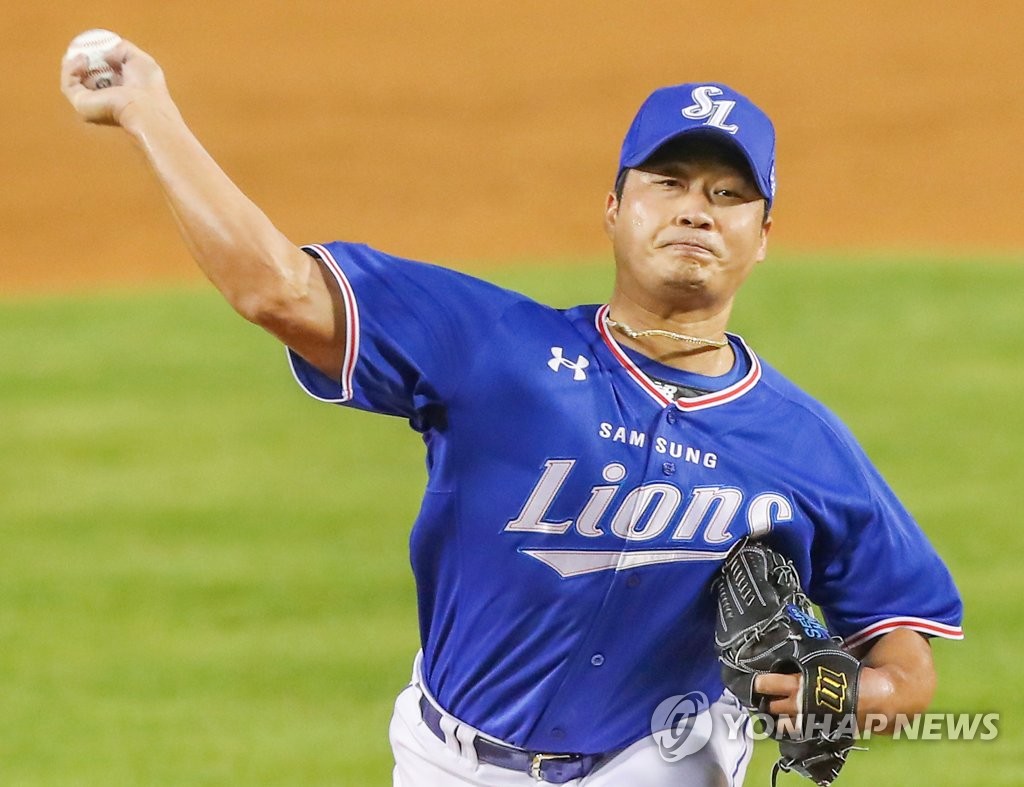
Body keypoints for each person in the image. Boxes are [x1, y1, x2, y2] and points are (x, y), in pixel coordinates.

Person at [62, 40, 963, 786]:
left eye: (729, 195)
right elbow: (275, 290)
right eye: (670, 182)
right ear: (613, 208)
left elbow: (904, 651)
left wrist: (852, 697)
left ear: (763, 237)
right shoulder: (493, 347)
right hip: (447, 764)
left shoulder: (806, 445)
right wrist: (147, 112)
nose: (697, 210)